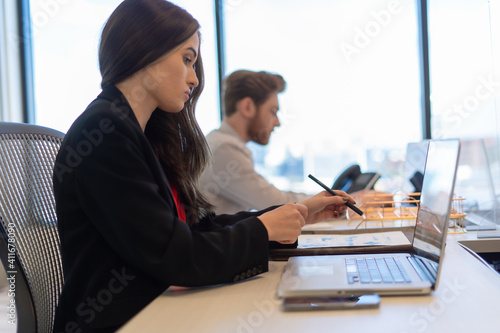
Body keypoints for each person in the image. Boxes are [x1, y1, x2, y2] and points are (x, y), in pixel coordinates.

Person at [52, 1, 355, 332]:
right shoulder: (105, 134)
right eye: (187, 59)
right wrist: (265, 229)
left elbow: (193, 231)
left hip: (154, 311)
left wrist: (297, 214)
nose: (195, 78)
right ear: (145, 50)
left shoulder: (137, 132)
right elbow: (178, 256)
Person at [199, 70, 309, 214]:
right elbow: (276, 203)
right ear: (247, 107)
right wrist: (328, 200)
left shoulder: (219, 143)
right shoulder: (224, 148)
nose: (277, 123)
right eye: (273, 112)